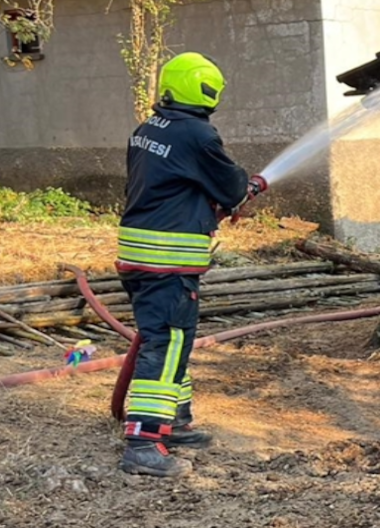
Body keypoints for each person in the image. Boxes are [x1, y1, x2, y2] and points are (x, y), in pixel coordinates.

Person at [115, 52, 265, 477]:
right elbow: (234, 187)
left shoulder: (148, 128)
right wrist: (241, 190)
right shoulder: (197, 135)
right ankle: (144, 443)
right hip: (168, 260)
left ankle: (173, 420)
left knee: (168, 340)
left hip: (138, 253)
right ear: (207, 90)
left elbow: (172, 183)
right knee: (167, 343)